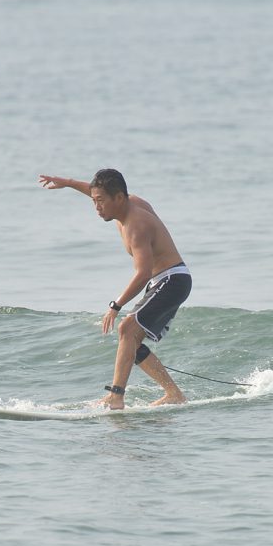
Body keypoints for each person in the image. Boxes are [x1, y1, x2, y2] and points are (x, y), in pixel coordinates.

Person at [39, 169, 190, 409]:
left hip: (171, 280)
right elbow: (91, 190)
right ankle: (173, 394)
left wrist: (115, 305)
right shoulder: (129, 203)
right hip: (166, 280)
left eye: (101, 201)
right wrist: (67, 183)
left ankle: (116, 397)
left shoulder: (136, 225)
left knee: (126, 329)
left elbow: (142, 273)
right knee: (131, 341)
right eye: (93, 200)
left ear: (118, 198)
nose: (96, 207)